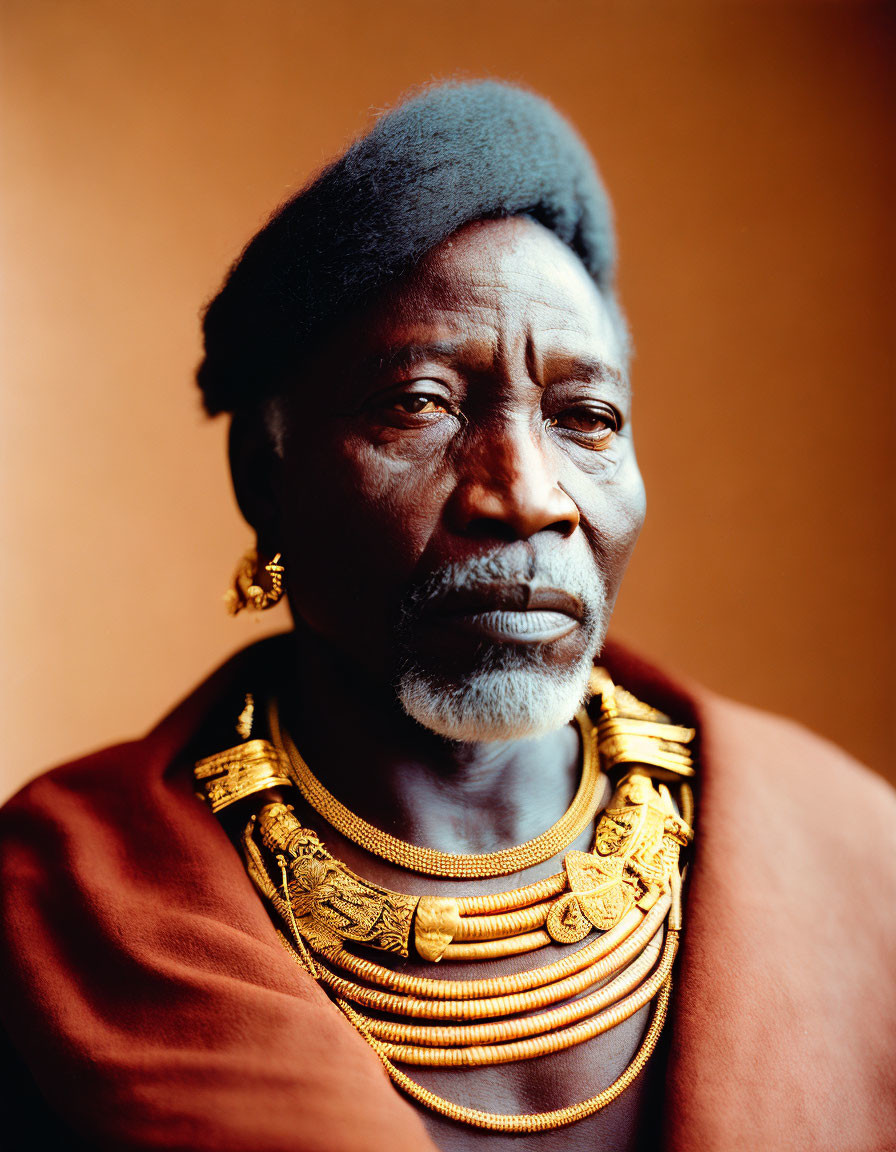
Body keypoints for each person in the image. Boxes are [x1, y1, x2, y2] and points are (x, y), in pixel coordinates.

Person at [1, 80, 893, 1152]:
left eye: (585, 419)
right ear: (263, 476)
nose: (523, 491)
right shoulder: (64, 902)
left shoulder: (848, 857)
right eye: (420, 404)